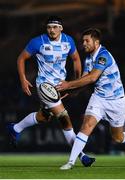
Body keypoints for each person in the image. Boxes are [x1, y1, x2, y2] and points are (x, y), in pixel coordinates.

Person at [7, 16, 95, 167]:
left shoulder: (68, 41)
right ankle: (81, 156)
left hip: (60, 86)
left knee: (43, 116)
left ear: (61, 28)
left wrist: (74, 83)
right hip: (44, 86)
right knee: (63, 117)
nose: (51, 30)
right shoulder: (37, 42)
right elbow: (21, 58)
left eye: (55, 27)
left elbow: (75, 59)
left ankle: (15, 128)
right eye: (49, 27)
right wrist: (23, 79)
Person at [56, 28, 125, 170]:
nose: (84, 43)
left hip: (116, 101)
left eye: (87, 41)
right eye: (83, 41)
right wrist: (72, 91)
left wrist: (68, 84)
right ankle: (70, 162)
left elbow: (93, 77)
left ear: (96, 42)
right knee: (86, 125)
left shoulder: (103, 56)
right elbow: (84, 79)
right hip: (99, 98)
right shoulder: (88, 58)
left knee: (117, 137)